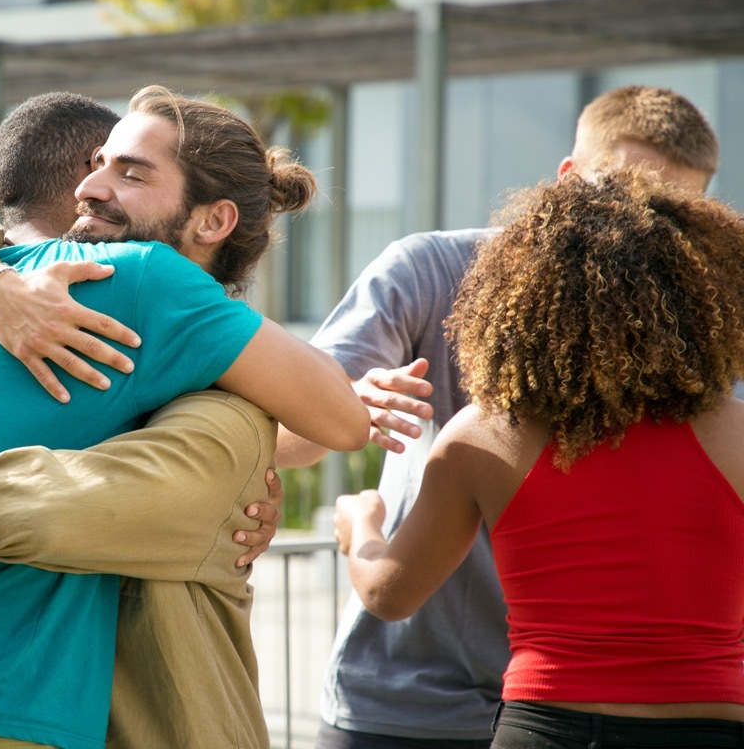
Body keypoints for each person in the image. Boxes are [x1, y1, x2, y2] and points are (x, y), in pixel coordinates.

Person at [0, 85, 370, 749]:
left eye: (130, 172)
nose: (91, 186)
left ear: (213, 221)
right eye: (98, 162)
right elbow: (343, 421)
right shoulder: (147, 280)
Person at [274, 85, 721, 748]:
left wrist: (361, 529)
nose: (639, 225)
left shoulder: (702, 321)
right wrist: (341, 411)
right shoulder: (429, 268)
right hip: (410, 699)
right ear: (566, 180)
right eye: (619, 192)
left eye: (671, 210)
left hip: (587, 704)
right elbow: (288, 440)